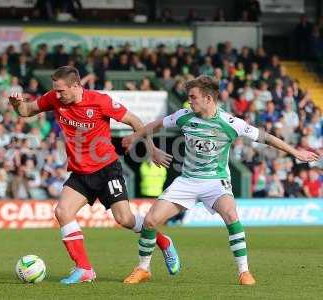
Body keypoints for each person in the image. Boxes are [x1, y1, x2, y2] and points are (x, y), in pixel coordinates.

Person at [121, 75, 320, 285]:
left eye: (193, 97)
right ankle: (144, 268)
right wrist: (137, 139)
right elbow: (157, 124)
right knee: (151, 220)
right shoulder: (184, 115)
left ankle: (244, 272)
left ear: (208, 98)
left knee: (231, 215)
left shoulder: (230, 123)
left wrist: (296, 152)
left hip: (216, 182)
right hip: (188, 180)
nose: (190, 101)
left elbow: (266, 137)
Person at [8, 66, 180, 285]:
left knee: (125, 219)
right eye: (55, 91)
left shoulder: (100, 101)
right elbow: (26, 111)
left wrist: (151, 148)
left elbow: (135, 121)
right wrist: (16, 105)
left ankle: (163, 241)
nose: (57, 95)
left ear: (76, 86)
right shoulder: (54, 98)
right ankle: (84, 269)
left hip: (106, 170)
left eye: (61, 91)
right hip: (80, 172)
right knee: (62, 212)